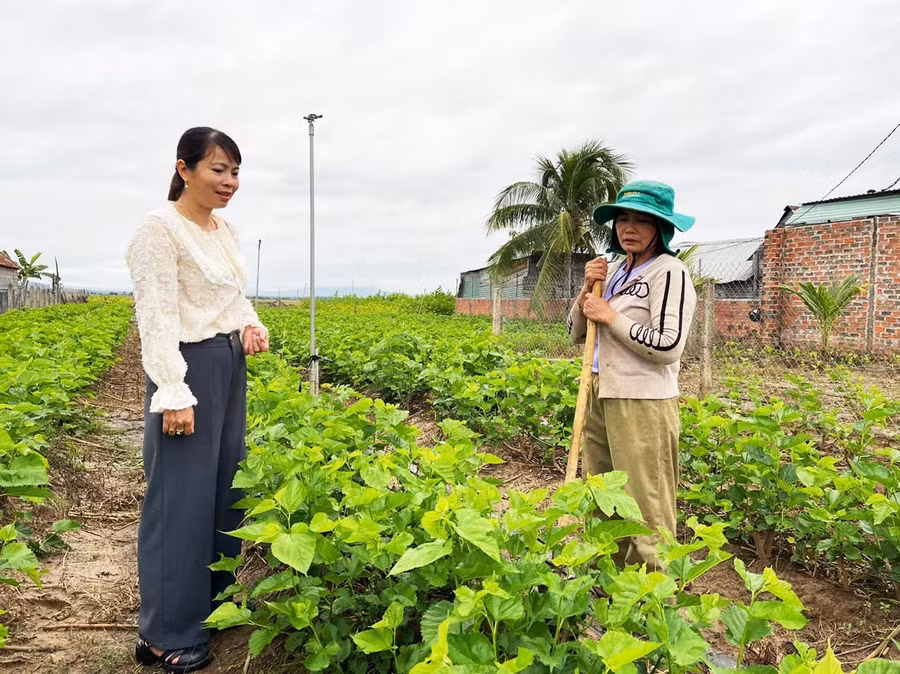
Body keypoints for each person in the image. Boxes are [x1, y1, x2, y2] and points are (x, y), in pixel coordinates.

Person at [126, 127, 269, 672]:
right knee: (180, 502)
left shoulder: (223, 227)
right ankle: (164, 635)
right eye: (218, 170)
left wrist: (249, 326)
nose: (229, 182)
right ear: (184, 169)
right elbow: (157, 317)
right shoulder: (158, 231)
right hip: (186, 373)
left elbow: (233, 295)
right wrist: (172, 390)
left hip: (227, 366)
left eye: (235, 172)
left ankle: (207, 614)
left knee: (222, 494)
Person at [568, 180, 697, 570]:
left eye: (643, 220)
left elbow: (667, 346)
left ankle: (655, 598)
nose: (629, 228)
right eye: (623, 218)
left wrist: (610, 315)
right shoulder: (614, 273)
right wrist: (587, 290)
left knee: (645, 503)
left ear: (662, 227)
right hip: (600, 393)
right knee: (603, 494)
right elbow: (576, 333)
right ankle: (606, 582)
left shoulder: (669, 272)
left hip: (643, 402)